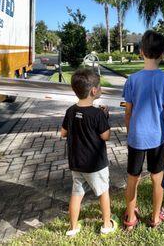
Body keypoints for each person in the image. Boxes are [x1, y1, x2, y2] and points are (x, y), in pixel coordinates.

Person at [122, 30, 164, 230]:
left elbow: (127, 113)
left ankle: (130, 218)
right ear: (163, 53)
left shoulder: (132, 79)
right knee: (157, 178)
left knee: (132, 177)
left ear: (140, 51)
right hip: (156, 138)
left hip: (136, 137)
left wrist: (131, 132)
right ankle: (155, 217)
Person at [60, 68, 118, 237]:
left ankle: (72, 228)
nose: (101, 89)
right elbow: (105, 136)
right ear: (94, 91)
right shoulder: (97, 114)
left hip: (76, 163)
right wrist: (105, 117)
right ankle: (107, 225)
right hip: (95, 165)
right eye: (100, 87)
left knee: (76, 194)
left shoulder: (70, 111)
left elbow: (63, 133)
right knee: (103, 192)